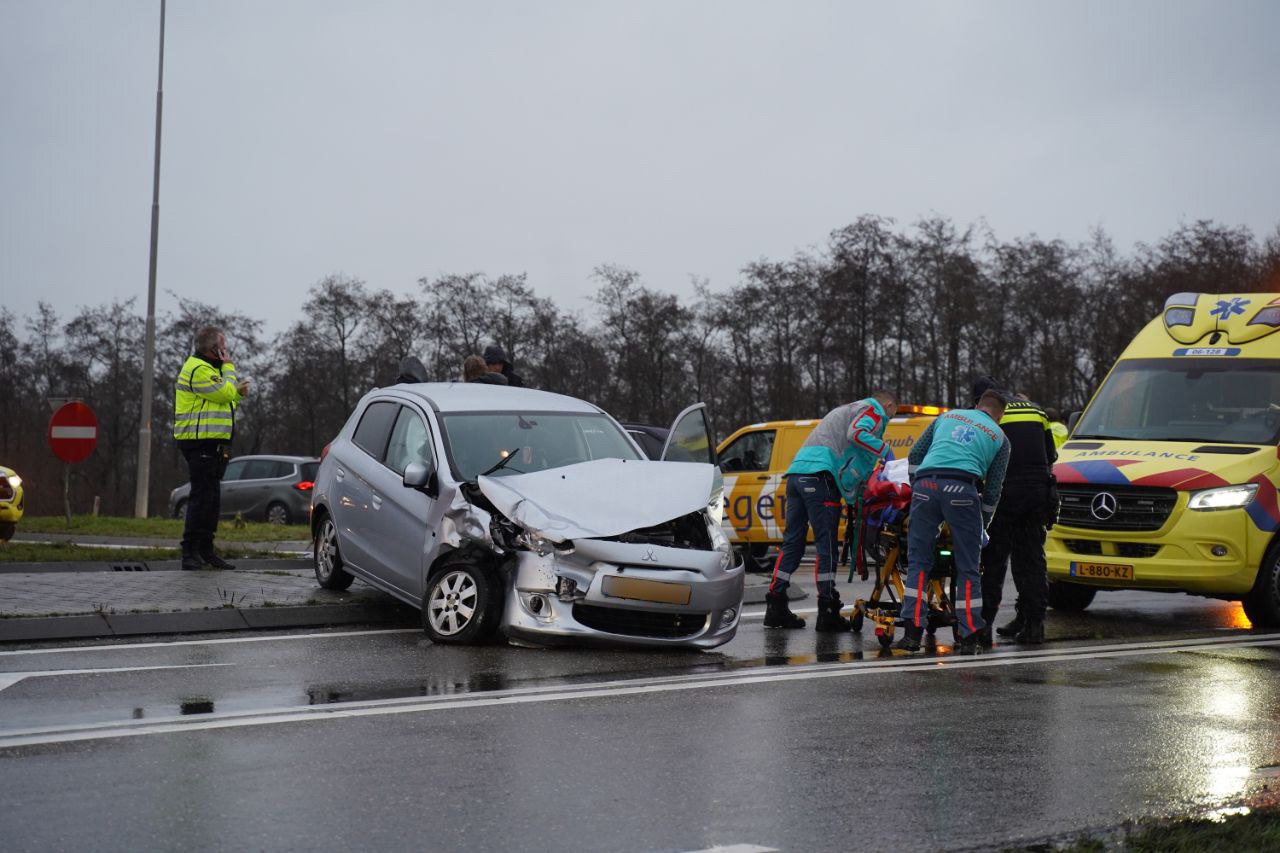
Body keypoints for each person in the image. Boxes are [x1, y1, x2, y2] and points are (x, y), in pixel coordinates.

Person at [764, 391, 898, 632]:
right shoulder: (872, 410)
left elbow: (851, 455)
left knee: (792, 544)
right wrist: (885, 450)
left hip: (797, 475)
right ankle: (827, 609)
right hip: (820, 478)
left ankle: (775, 604)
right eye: (892, 413)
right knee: (826, 546)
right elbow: (857, 434)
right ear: (888, 405)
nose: (887, 420)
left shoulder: (845, 409)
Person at [896, 389, 1010, 655]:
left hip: (926, 483)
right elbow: (993, 490)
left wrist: (918, 489)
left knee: (919, 562)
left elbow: (915, 456)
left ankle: (912, 634)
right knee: (968, 567)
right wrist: (981, 524)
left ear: (977, 405)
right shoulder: (1000, 438)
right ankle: (969, 637)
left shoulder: (948, 417)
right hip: (962, 488)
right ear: (1000, 415)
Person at [981, 393, 1059, 645]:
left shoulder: (993, 415)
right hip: (1036, 493)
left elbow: (986, 456)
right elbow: (1051, 455)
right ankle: (1033, 624)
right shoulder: (1039, 413)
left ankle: (984, 626)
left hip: (1004, 492)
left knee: (994, 561)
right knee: (1032, 561)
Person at [173, 326, 248, 571]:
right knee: (201, 498)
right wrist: (229, 368)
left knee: (211, 499)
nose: (226, 349)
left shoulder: (209, 369)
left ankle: (206, 551)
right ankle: (189, 552)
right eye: (223, 345)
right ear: (212, 347)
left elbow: (226, 397)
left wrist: (238, 394)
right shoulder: (198, 369)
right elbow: (225, 391)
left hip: (214, 442)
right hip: (199, 442)